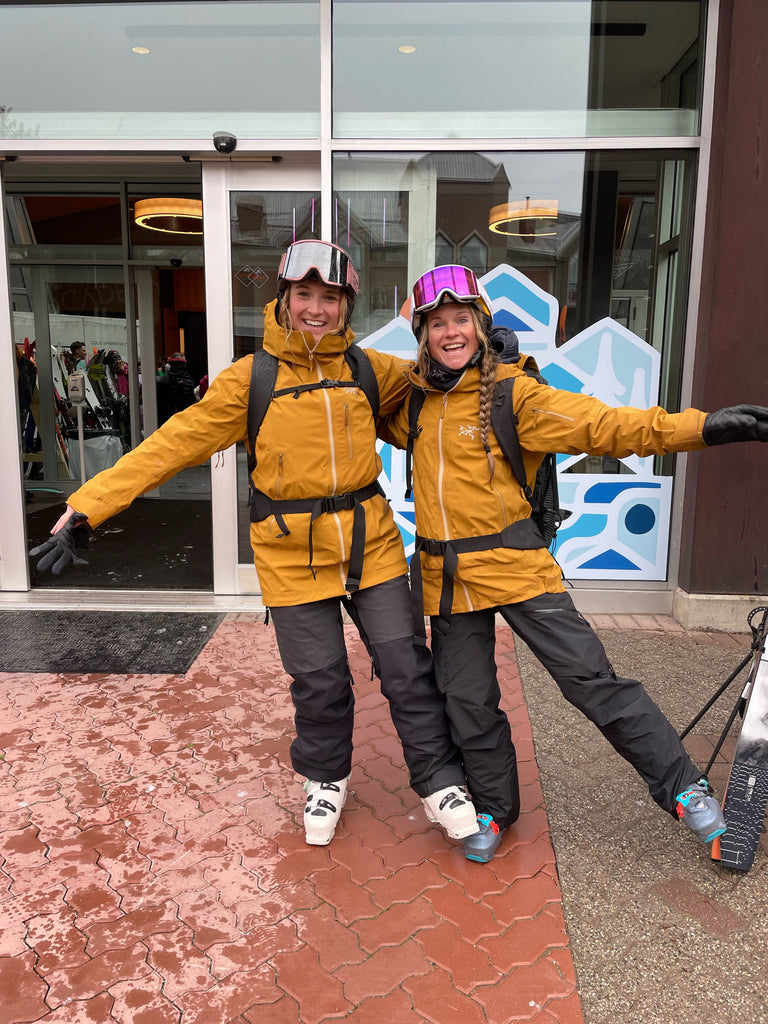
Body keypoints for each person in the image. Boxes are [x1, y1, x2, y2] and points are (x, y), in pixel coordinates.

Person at [28, 240, 478, 849]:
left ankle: (439, 778)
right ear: (285, 301)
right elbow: (174, 443)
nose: (316, 309)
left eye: (330, 298)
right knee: (319, 679)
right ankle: (325, 777)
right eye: (305, 296)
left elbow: (447, 380)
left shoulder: (372, 370)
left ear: (347, 307)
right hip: (289, 552)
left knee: (406, 667)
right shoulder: (252, 379)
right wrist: (90, 504)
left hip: (368, 544)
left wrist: (500, 361)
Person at [380, 263, 768, 863]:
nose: (450, 333)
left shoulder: (516, 395)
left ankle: (684, 790)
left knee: (593, 684)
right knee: (468, 702)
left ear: (480, 326)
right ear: (423, 334)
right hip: (447, 581)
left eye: (462, 319)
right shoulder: (412, 401)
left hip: (519, 569)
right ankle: (495, 806)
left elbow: (607, 425)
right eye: (437, 323)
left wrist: (705, 428)